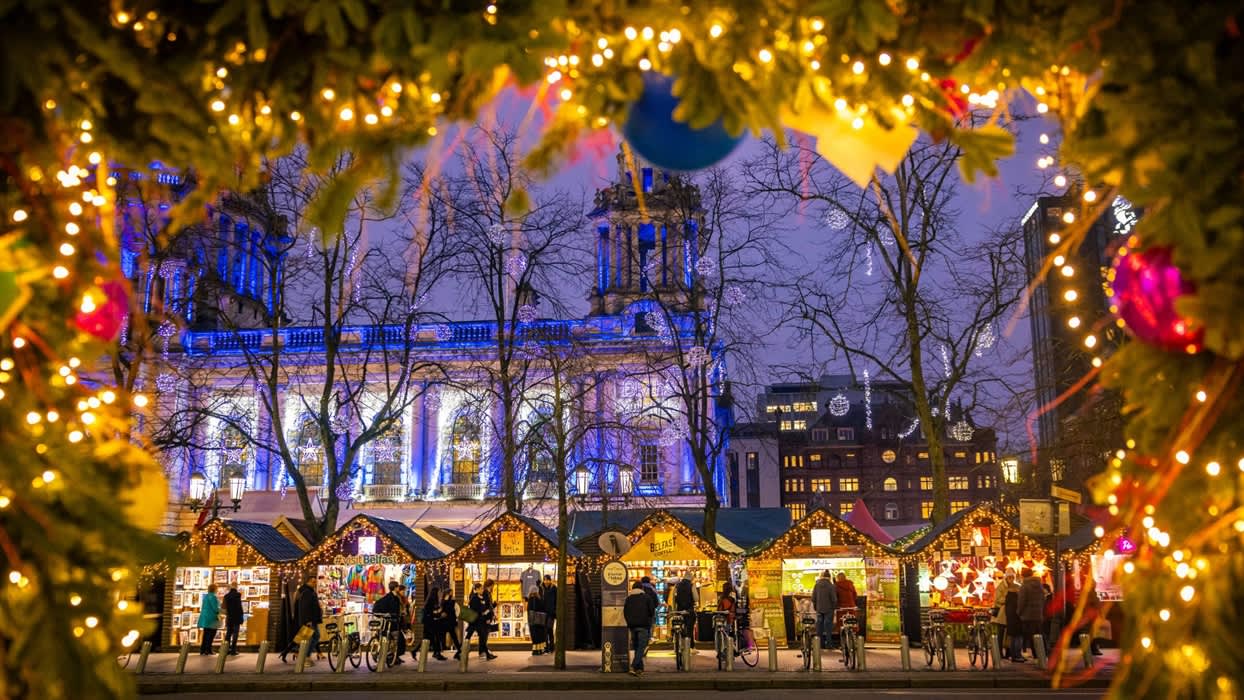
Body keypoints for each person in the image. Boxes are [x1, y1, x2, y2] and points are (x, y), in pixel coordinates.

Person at [283, 575, 322, 664]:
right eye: (313, 582)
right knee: (313, 637)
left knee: (309, 637)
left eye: (315, 582)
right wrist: (308, 620)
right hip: (310, 620)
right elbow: (305, 608)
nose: (315, 583)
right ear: (308, 582)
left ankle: (302, 654)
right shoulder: (307, 592)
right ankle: (305, 656)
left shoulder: (307, 591)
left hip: (311, 619)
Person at [623, 581, 656, 676]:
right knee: (642, 647)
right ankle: (633, 666)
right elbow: (652, 611)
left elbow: (625, 612)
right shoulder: (647, 598)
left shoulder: (629, 599)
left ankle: (639, 669)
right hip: (644, 626)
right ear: (642, 588)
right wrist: (649, 620)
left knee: (637, 647)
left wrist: (629, 622)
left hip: (632, 626)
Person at [372, 581, 407, 664]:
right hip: (391, 623)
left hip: (390, 622)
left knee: (393, 640)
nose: (399, 588)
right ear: (395, 588)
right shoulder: (392, 598)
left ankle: (394, 657)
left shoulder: (391, 597)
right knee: (396, 640)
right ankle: (391, 657)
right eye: (398, 587)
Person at [1017, 568, 1045, 662]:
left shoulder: (1024, 586)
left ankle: (1032, 654)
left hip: (1027, 615)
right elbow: (1043, 599)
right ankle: (1041, 654)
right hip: (1038, 614)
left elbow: (1022, 601)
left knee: (1028, 636)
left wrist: (1019, 612)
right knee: (1038, 634)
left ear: (1023, 575)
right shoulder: (1039, 585)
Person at [466, 581, 498, 660]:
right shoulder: (475, 598)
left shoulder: (481, 597)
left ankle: (486, 654)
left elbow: (485, 607)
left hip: (479, 620)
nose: (482, 590)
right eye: (480, 589)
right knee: (478, 637)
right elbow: (477, 609)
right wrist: (485, 615)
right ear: (476, 589)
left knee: (482, 637)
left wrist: (488, 612)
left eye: (482, 589)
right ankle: (460, 651)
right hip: (477, 621)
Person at [993, 572, 1019, 660]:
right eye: (1009, 577)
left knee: (1010, 634)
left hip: (1012, 613)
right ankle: (999, 652)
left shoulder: (1016, 586)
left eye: (1012, 577)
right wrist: (1008, 598)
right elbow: (997, 599)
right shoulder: (1001, 587)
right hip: (1002, 614)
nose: (1011, 579)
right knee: (1000, 634)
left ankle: (1009, 652)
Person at [669, 570, 698, 643]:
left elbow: (673, 599)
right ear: (690, 578)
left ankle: (679, 642)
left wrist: (674, 610)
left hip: (679, 610)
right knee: (689, 628)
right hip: (689, 610)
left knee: (680, 625)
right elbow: (696, 598)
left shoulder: (677, 585)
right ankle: (690, 645)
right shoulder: (692, 585)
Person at [812, 570, 838, 650]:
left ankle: (819, 644)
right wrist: (834, 607)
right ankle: (829, 644)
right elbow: (834, 599)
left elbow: (813, 598)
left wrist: (816, 607)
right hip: (829, 609)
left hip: (819, 609)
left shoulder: (817, 584)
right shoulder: (831, 586)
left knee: (819, 627)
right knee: (828, 628)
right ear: (829, 577)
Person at [421, 586, 447, 660]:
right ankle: (437, 653)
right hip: (430, 622)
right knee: (435, 638)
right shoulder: (431, 601)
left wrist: (439, 612)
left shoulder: (434, 601)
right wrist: (439, 614)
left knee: (428, 638)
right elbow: (430, 612)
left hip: (432, 622)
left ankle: (436, 653)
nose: (440, 594)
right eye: (438, 592)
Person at [834, 572, 858, 645]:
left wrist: (836, 604)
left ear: (838, 578)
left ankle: (843, 642)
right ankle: (854, 640)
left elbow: (835, 597)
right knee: (852, 622)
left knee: (842, 624)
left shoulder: (836, 586)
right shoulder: (850, 584)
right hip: (851, 607)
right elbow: (855, 595)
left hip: (842, 607)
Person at [1005, 572, 1024, 662]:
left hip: (1010, 619)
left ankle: (1013, 655)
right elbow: (1019, 609)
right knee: (1018, 637)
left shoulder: (1008, 597)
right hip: (1017, 619)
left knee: (1012, 637)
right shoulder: (1017, 598)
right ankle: (1017, 655)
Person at [197, 584, 221, 655]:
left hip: (205, 618)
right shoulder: (213, 597)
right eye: (217, 588)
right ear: (214, 589)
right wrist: (220, 611)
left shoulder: (206, 596)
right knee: (211, 634)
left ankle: (202, 650)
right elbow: (215, 608)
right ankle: (208, 650)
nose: (217, 590)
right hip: (211, 618)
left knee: (206, 634)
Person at [223, 584, 244, 656]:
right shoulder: (238, 595)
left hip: (229, 617)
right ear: (236, 587)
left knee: (228, 633)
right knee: (235, 633)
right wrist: (241, 615)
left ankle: (226, 649)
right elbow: (239, 607)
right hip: (237, 616)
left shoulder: (226, 596)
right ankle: (233, 649)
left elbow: (224, 607)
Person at [527, 587, 548, 656]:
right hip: (539, 621)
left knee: (534, 636)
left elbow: (529, 611)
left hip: (531, 621)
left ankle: (534, 650)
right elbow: (543, 609)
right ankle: (540, 650)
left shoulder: (529, 600)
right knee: (540, 635)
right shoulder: (539, 599)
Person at [442, 589, 462, 660]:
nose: (452, 594)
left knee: (454, 636)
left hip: (450, 622)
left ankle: (459, 651)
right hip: (447, 622)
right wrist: (452, 601)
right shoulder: (446, 601)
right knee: (453, 636)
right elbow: (449, 609)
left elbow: (456, 609)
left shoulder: (448, 600)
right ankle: (459, 651)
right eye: (451, 593)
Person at [541, 575, 558, 653]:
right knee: (544, 631)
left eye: (548, 580)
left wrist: (555, 611)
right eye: (545, 580)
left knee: (549, 629)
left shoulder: (554, 588)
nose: (546, 581)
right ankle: (546, 647)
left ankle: (551, 647)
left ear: (550, 580)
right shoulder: (541, 588)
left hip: (551, 613)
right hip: (543, 612)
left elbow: (556, 600)